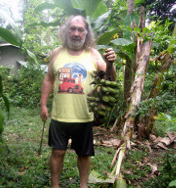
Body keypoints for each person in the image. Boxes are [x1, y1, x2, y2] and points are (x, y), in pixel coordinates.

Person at [40, 14, 116, 188]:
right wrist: (43, 104)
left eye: (80, 29)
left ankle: (83, 185)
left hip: (84, 116)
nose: (76, 33)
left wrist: (110, 63)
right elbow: (49, 79)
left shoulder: (94, 55)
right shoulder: (57, 53)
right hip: (60, 116)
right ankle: (55, 185)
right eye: (72, 29)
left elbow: (109, 80)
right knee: (58, 152)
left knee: (83, 154)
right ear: (67, 31)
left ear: (86, 33)